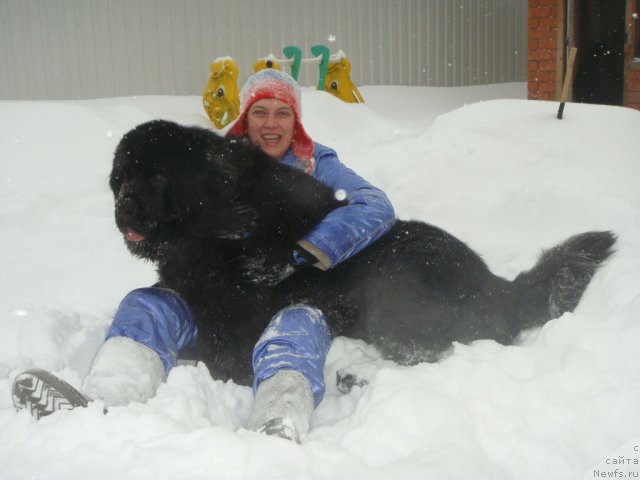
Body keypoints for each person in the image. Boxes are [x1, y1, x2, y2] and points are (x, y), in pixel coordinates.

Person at [12, 69, 396, 442]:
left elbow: (374, 206)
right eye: (259, 112)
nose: (270, 124)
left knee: (296, 329)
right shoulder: (204, 162)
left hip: (291, 302)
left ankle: (277, 420)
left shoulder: (319, 165)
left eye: (283, 113)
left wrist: (302, 252)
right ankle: (103, 397)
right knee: (147, 305)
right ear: (244, 119)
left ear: (297, 122)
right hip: (213, 310)